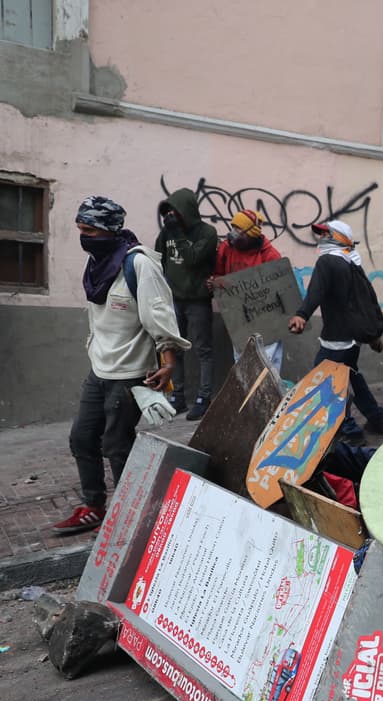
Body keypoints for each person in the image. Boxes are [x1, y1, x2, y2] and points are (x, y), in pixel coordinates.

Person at [55, 196, 191, 533]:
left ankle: (133, 512)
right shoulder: (98, 264)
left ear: (109, 230)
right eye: (80, 229)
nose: (83, 236)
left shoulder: (139, 265)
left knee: (116, 445)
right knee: (82, 438)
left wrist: (169, 363)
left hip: (131, 374)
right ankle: (94, 506)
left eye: (89, 229)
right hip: (99, 368)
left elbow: (159, 315)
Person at [287, 220, 383, 443]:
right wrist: (372, 336)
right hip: (351, 339)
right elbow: (367, 301)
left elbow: (315, 292)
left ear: (338, 238)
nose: (321, 238)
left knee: (326, 384)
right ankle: (377, 418)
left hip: (337, 339)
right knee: (352, 376)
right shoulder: (351, 263)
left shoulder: (328, 261)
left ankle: (350, 432)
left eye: (326, 234)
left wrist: (302, 315)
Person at [154, 188, 217, 420]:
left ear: (186, 211)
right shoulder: (166, 233)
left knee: (203, 350)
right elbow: (158, 260)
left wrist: (178, 233)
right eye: (168, 212)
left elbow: (191, 259)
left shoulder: (207, 233)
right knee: (174, 349)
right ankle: (177, 396)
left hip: (197, 301)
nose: (171, 216)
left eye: (175, 211)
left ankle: (203, 397)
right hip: (174, 301)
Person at [211, 210, 286, 371]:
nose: (233, 233)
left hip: (266, 319)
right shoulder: (227, 248)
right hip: (238, 318)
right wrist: (217, 283)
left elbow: (280, 290)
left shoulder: (270, 256)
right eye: (233, 227)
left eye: (238, 230)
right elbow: (218, 274)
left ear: (251, 234)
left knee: (267, 365)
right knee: (242, 364)